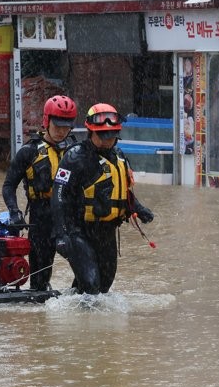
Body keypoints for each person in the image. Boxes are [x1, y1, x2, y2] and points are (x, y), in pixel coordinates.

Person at [51, 103, 155, 295]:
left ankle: (73, 309)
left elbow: (121, 190)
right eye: (102, 136)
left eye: (112, 136)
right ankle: (80, 320)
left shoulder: (119, 156)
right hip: (78, 230)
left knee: (104, 284)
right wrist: (61, 234)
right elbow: (59, 197)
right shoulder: (75, 158)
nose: (107, 141)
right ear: (90, 131)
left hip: (106, 231)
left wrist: (139, 209)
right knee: (91, 285)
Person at [1, 94, 78, 291]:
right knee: (40, 278)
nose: (62, 131)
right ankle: (41, 303)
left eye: (66, 126)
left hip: (71, 216)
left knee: (84, 265)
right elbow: (9, 185)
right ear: (46, 121)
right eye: (57, 125)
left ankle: (78, 298)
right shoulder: (29, 151)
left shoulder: (76, 151)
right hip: (41, 217)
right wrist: (14, 211)